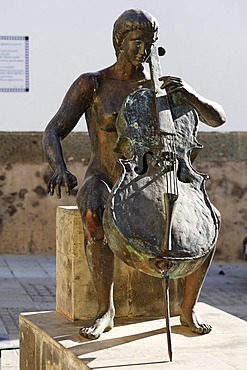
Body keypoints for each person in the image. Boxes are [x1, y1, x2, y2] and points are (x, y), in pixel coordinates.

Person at [43, 9, 226, 340]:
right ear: (119, 42)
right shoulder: (93, 83)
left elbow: (217, 119)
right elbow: (54, 129)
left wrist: (189, 95)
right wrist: (59, 167)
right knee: (92, 214)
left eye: (149, 44)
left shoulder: (162, 87)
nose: (143, 51)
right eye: (136, 43)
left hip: (154, 178)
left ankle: (187, 308)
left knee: (207, 221)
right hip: (105, 175)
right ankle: (105, 310)